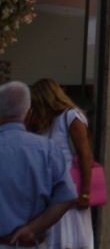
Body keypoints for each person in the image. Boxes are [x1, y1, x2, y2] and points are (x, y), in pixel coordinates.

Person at [0, 81, 77, 249]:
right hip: (28, 244)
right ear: (29, 114)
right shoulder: (47, 149)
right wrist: (32, 228)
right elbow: (67, 197)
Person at [25, 81, 93, 249]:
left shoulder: (70, 117)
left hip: (71, 189)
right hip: (51, 191)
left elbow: (85, 155)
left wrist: (85, 193)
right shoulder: (45, 123)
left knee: (69, 237)